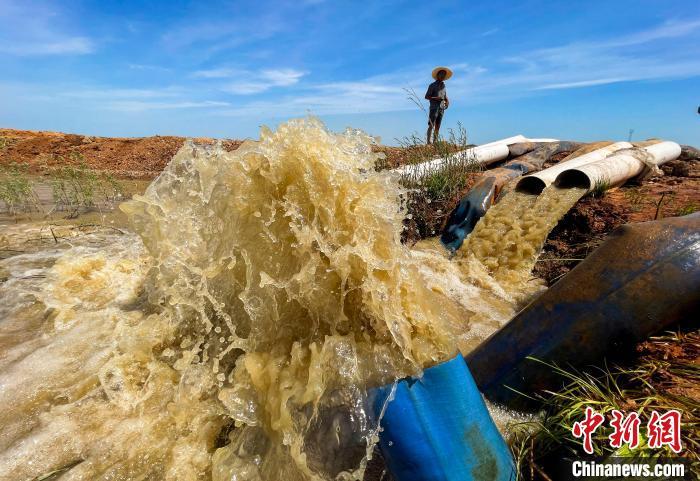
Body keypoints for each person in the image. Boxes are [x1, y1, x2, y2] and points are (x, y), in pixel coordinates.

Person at [424, 66, 452, 144]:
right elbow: (426, 96)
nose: (443, 76)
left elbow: (445, 95)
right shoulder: (432, 85)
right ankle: (428, 142)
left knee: (438, 125)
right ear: (438, 75)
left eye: (444, 75)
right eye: (442, 74)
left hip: (441, 107)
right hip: (434, 107)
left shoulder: (443, 85)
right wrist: (436, 98)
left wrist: (447, 101)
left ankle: (435, 142)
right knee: (431, 124)